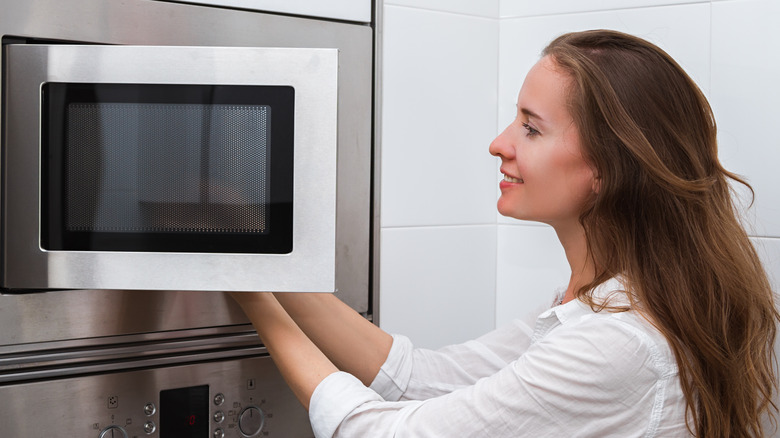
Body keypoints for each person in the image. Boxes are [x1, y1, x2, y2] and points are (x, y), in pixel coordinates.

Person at [231, 29, 779, 437]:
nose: (499, 143)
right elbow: (418, 376)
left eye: (531, 128)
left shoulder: (618, 346)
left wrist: (252, 291)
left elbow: (380, 433)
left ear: (607, 170)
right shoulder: (603, 306)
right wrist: (268, 260)